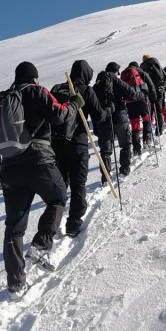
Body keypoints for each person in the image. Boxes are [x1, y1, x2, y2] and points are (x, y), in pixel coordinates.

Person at [0, 61, 83, 296]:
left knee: (14, 228)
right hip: (39, 161)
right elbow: (58, 115)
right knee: (58, 198)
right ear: (34, 78)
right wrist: (75, 104)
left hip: (10, 169)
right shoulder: (37, 92)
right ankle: (41, 244)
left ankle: (15, 283)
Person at [47, 60, 105, 237]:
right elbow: (98, 115)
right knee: (78, 183)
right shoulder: (86, 90)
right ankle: (73, 223)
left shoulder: (57, 88)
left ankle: (53, 221)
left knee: (61, 184)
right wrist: (106, 112)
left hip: (56, 144)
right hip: (78, 143)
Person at [93, 62, 143, 177]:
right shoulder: (115, 80)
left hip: (104, 119)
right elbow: (132, 95)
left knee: (105, 151)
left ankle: (106, 178)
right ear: (115, 71)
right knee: (125, 144)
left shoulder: (97, 84)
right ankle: (124, 170)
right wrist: (142, 94)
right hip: (120, 117)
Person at [141, 54, 166, 132]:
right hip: (160, 89)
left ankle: (153, 127)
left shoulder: (144, 66)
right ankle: (163, 125)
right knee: (160, 108)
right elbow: (165, 76)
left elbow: (143, 80)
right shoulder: (157, 64)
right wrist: (164, 87)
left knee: (151, 108)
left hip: (151, 91)